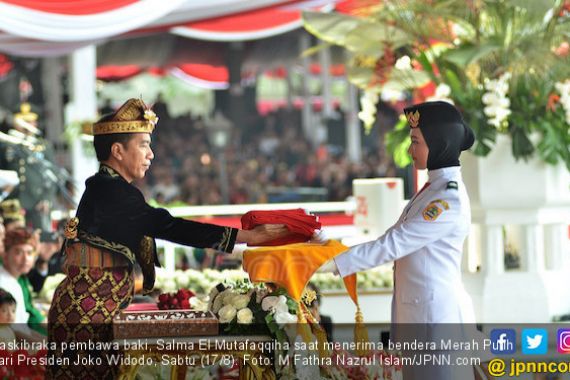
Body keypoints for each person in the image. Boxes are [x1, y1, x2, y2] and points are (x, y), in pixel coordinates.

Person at [46, 98, 288, 379]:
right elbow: (170, 227)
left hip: (91, 309)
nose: (151, 155)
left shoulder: (107, 187)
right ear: (117, 151)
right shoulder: (112, 191)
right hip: (87, 315)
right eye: (143, 145)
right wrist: (247, 236)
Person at [324, 101, 477, 380]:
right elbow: (389, 238)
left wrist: (328, 262)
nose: (410, 150)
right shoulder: (432, 189)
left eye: (415, 141)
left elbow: (393, 244)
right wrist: (329, 245)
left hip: (435, 326)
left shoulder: (447, 199)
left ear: (440, 144)